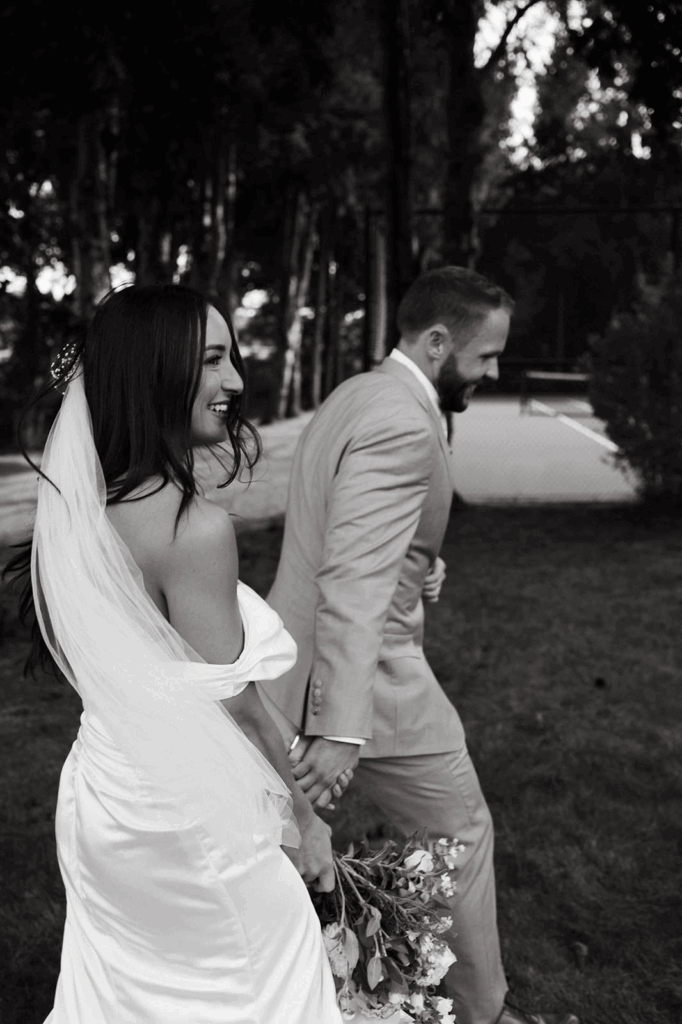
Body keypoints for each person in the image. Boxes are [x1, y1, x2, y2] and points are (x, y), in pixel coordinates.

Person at [5, 284, 343, 1024]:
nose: (236, 383)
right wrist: (304, 820)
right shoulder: (193, 530)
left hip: (102, 801)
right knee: (270, 972)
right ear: (158, 371)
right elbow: (234, 705)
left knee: (124, 992)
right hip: (183, 818)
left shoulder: (82, 512)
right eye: (214, 360)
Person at [260, 266, 579, 1024]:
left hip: (286, 663)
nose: (493, 371)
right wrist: (340, 727)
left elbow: (346, 532)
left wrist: (418, 568)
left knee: (269, 854)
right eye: (486, 356)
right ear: (438, 342)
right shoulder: (405, 420)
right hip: (363, 682)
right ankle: (484, 1015)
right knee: (460, 832)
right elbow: (352, 579)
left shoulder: (359, 394)